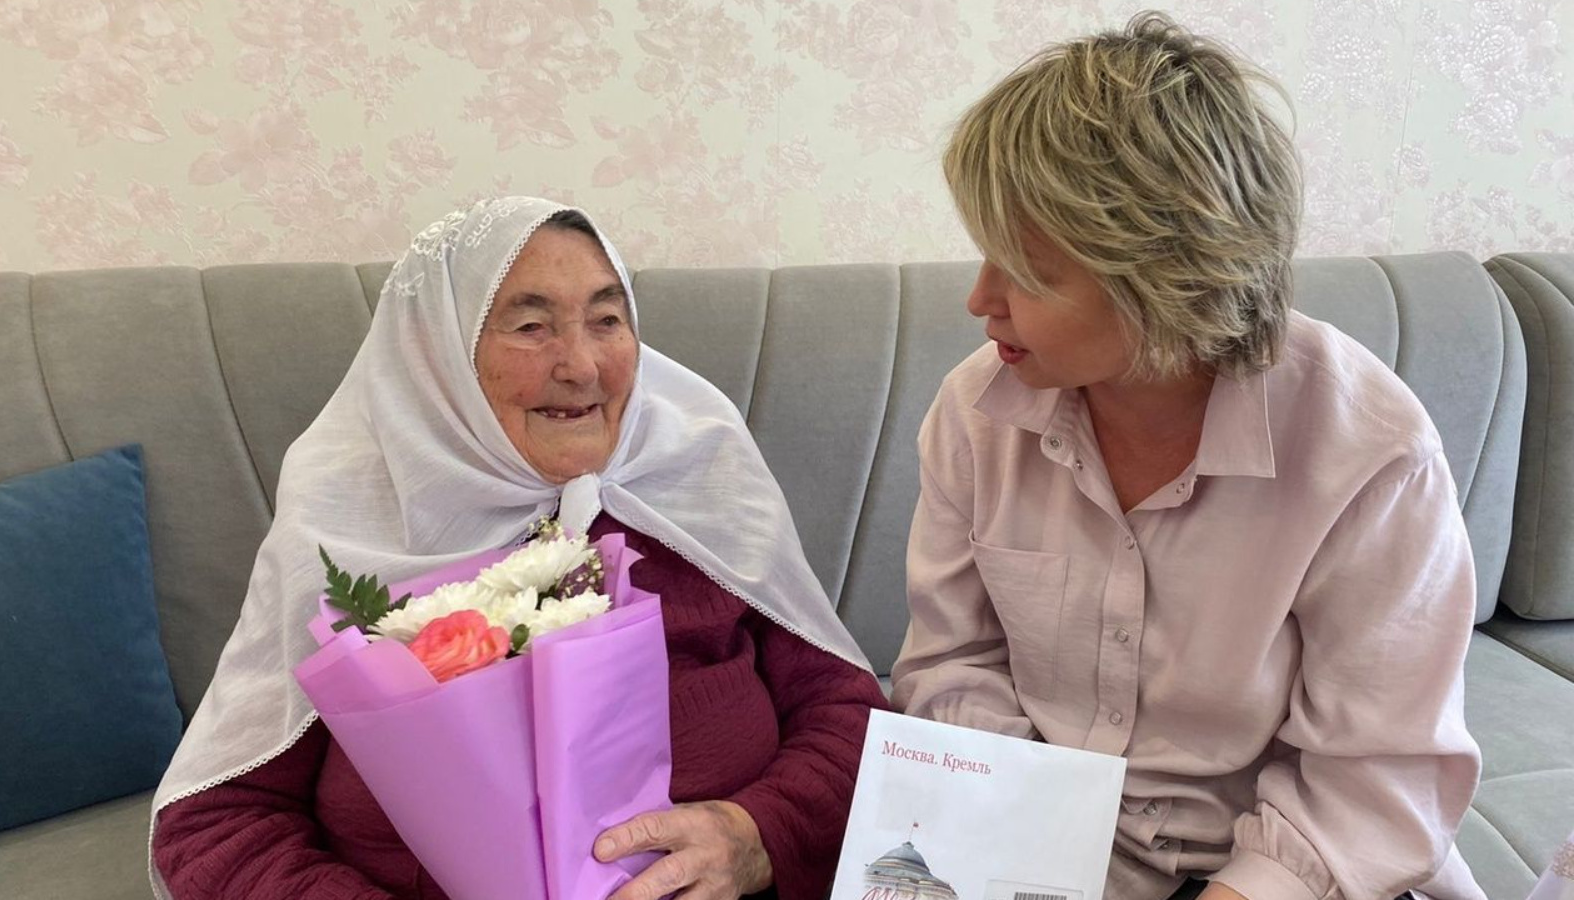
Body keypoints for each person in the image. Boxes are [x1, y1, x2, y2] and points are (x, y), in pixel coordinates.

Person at [891, 13, 1483, 900]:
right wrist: (1022, 847)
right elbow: (952, 666)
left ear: (1168, 272)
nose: (981, 299)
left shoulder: (1370, 457)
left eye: (1028, 270)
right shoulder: (977, 413)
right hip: (1043, 849)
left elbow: (1374, 783)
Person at [151, 197, 887, 900]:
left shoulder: (694, 474)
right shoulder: (350, 526)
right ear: (437, 357)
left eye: (606, 319)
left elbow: (846, 711)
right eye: (532, 327)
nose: (583, 366)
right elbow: (214, 823)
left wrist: (754, 834)